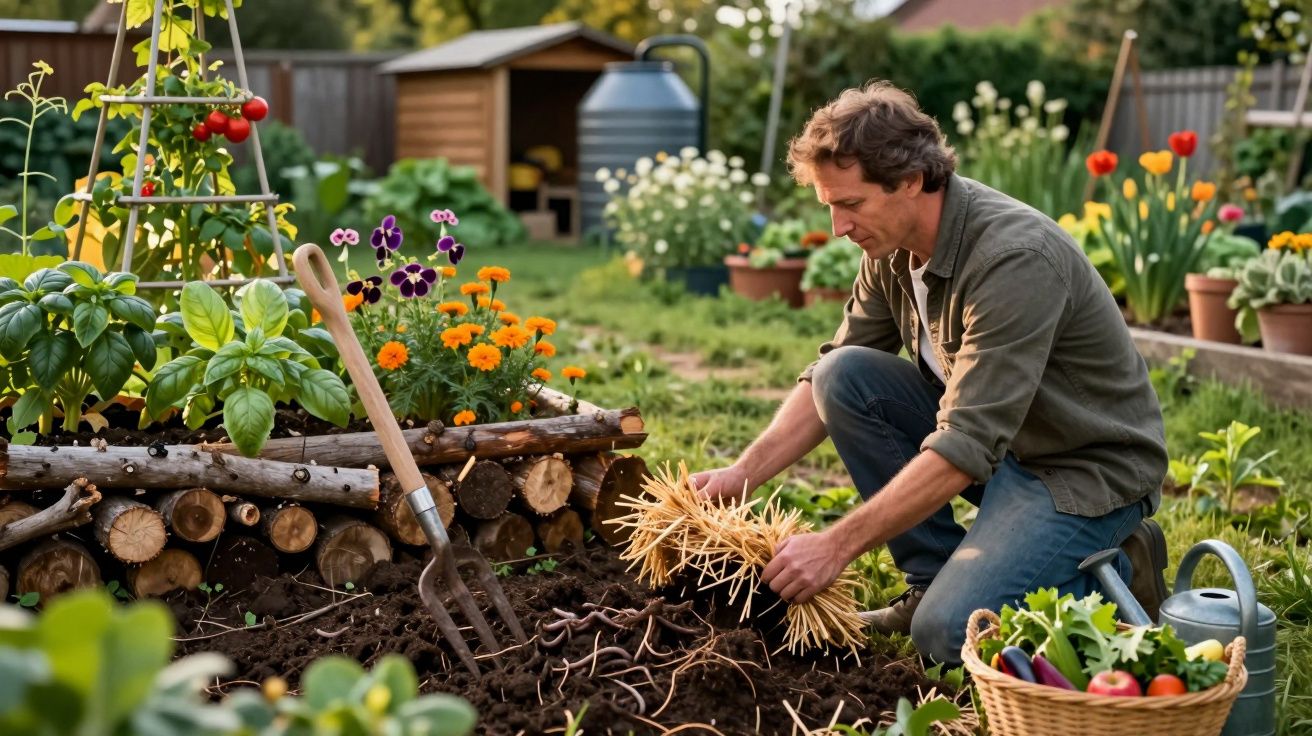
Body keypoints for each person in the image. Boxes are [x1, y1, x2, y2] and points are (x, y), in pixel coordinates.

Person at [691, 80, 1170, 665]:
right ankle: (935, 578)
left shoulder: (1012, 259)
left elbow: (965, 442)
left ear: (912, 181)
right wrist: (743, 473)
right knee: (843, 376)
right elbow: (829, 372)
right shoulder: (892, 246)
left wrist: (835, 545)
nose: (839, 226)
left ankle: (1115, 571)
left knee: (948, 635)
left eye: (852, 203)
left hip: (1080, 466)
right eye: (830, 205)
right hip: (1002, 449)